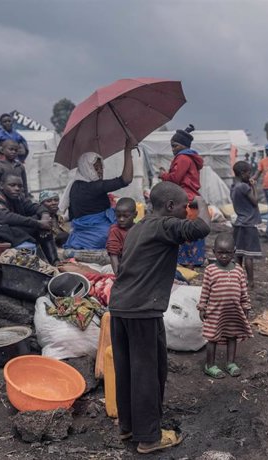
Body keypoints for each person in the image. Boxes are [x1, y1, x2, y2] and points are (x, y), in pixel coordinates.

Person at [108, 182, 210, 454]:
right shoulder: (164, 225)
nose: (185, 211)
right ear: (169, 207)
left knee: (128, 369)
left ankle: (129, 426)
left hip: (120, 307)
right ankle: (149, 438)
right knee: (147, 373)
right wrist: (201, 201)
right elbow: (201, 228)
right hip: (142, 310)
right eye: (183, 207)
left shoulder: (138, 228)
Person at [59, 139, 133, 249]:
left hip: (80, 239)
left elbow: (73, 215)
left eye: (101, 167)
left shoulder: (74, 186)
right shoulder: (93, 187)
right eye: (96, 168)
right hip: (100, 236)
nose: (100, 171)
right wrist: (128, 150)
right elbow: (126, 179)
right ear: (86, 168)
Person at [0, 173, 58, 264]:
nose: (17, 189)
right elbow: (6, 218)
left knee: (40, 223)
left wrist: (45, 217)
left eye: (20, 186)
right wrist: (38, 223)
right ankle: (30, 258)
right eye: (12, 185)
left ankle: (55, 262)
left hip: (8, 232)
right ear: (1, 185)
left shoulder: (17, 197)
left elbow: (36, 207)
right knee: (32, 225)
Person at [197, 233, 253, 379]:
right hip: (215, 311)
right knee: (212, 337)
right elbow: (205, 290)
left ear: (233, 252)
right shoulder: (210, 270)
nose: (223, 256)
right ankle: (209, 365)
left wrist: (245, 307)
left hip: (234, 312)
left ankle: (230, 363)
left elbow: (243, 291)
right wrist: (202, 307)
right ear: (214, 252)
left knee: (232, 336)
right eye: (220, 253)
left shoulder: (239, 270)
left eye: (227, 253)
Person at [159, 125, 206, 267]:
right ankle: (193, 261)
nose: (173, 149)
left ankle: (185, 262)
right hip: (192, 197)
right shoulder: (189, 157)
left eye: (175, 146)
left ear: (182, 145)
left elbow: (175, 179)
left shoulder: (183, 158)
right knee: (192, 231)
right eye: (172, 146)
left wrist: (163, 175)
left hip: (184, 198)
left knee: (182, 231)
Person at [231, 161, 262, 287]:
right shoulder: (244, 187)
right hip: (249, 224)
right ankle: (251, 282)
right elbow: (255, 201)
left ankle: (238, 280)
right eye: (249, 173)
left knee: (238, 254)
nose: (250, 176)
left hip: (239, 223)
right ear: (243, 173)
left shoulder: (234, 186)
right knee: (248, 255)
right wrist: (254, 187)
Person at [106, 197, 137, 274]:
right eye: (118, 216)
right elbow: (113, 254)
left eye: (126, 216)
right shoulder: (115, 230)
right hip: (121, 265)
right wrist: (118, 274)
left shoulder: (139, 228)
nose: (121, 219)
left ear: (135, 215)